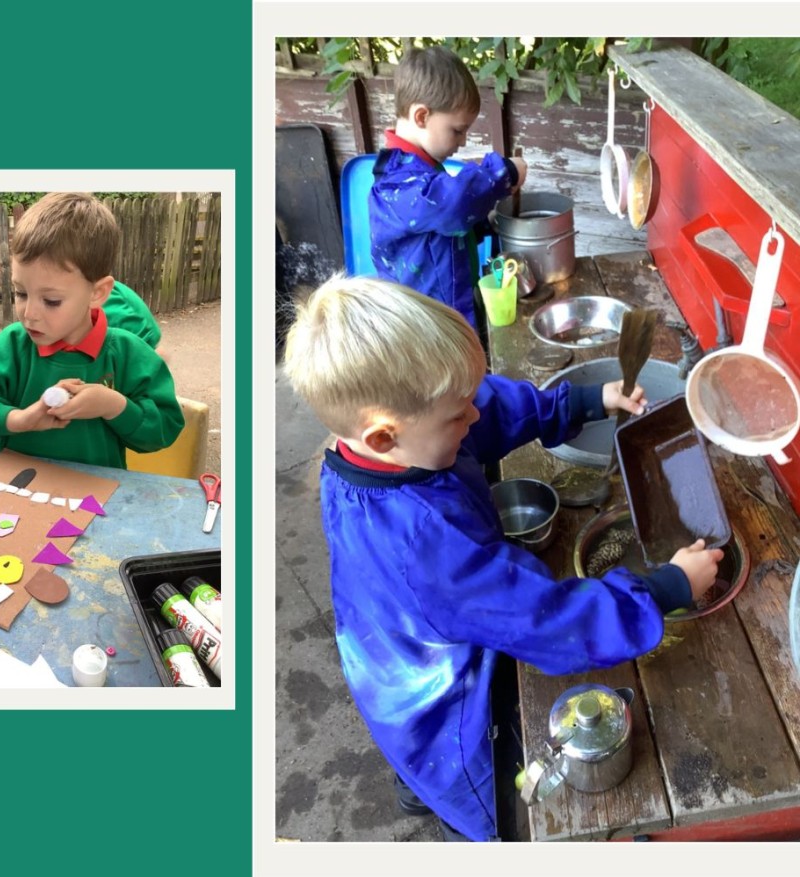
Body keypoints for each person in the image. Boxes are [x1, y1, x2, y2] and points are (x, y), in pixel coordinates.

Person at [279, 275, 725, 841]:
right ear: (384, 436)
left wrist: (587, 400)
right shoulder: (426, 549)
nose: (471, 417)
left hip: (389, 642)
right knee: (487, 802)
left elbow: (489, 408)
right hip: (439, 705)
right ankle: (463, 816)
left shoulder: (391, 443)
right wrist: (664, 588)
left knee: (413, 759)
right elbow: (544, 621)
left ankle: (416, 782)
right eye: (455, 414)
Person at [0, 192, 183, 469]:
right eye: (20, 293)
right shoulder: (13, 346)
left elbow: (164, 428)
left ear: (97, 292)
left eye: (51, 301)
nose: (28, 313)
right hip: (15, 491)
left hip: (96, 499)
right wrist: (17, 420)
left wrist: (115, 406)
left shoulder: (127, 353)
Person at [369, 45, 527, 329]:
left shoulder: (422, 172)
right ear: (421, 116)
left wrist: (481, 225)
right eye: (457, 130)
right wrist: (505, 172)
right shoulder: (398, 185)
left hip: (450, 316)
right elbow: (453, 206)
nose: (463, 141)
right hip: (424, 331)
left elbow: (439, 233)